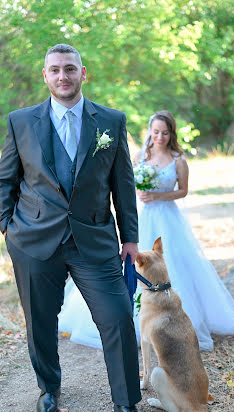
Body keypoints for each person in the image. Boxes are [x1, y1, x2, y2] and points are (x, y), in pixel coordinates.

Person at [0, 44, 141, 412]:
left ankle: (126, 403)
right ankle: (49, 390)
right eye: (55, 70)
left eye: (70, 68)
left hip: (93, 240)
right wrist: (7, 229)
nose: (63, 76)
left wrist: (130, 237)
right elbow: (5, 180)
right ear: (45, 75)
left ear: (83, 72)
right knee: (41, 323)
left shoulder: (111, 121)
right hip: (32, 240)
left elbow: (123, 183)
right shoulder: (20, 121)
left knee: (118, 317)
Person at [58, 110, 234, 352]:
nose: (159, 136)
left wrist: (158, 195)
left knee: (175, 264)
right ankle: (126, 318)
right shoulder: (140, 155)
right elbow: (126, 181)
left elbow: (183, 190)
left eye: (165, 132)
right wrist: (138, 193)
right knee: (131, 262)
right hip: (141, 214)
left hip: (167, 217)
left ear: (172, 134)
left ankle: (177, 320)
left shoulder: (178, 159)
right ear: (150, 131)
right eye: (156, 131)